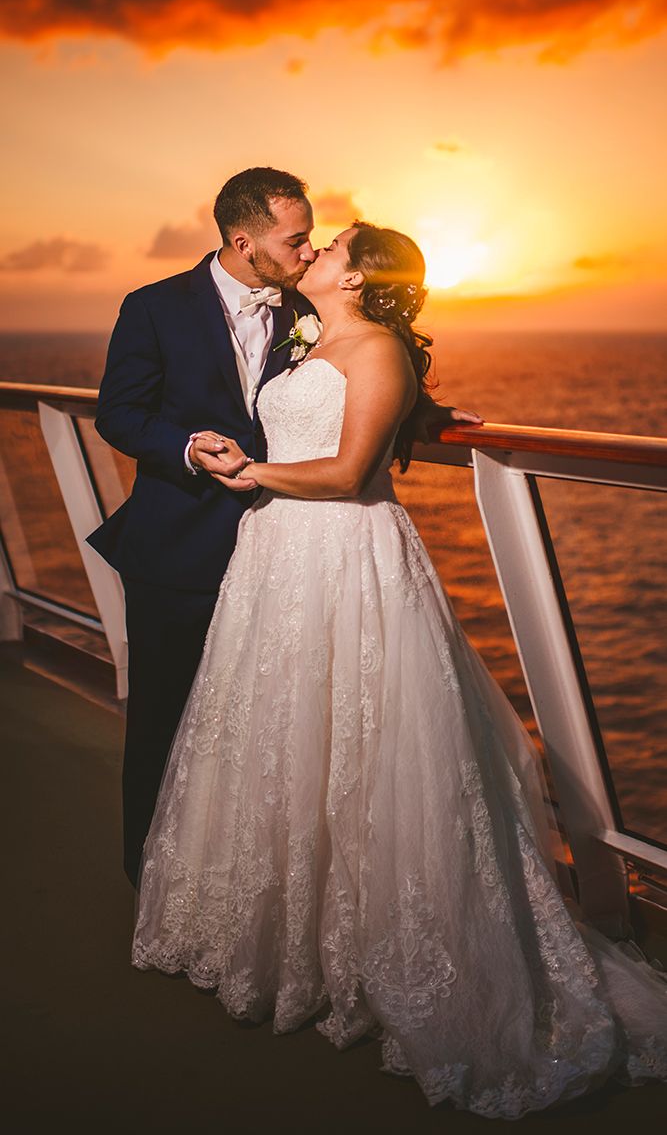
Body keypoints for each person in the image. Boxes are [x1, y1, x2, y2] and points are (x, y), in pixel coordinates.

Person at [131, 221, 667, 1117]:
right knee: (284, 733)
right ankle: (295, 939)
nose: (315, 251)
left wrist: (256, 469)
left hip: (345, 556)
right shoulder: (314, 340)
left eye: (331, 245)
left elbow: (346, 473)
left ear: (358, 277)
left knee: (370, 738)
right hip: (279, 560)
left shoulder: (374, 347)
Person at [87, 170, 479, 887]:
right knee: (166, 724)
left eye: (313, 239)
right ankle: (151, 885)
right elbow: (119, 412)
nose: (306, 252)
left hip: (288, 558)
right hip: (180, 548)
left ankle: (271, 888)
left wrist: (424, 412)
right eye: (294, 240)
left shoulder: (309, 303)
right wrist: (185, 449)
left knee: (274, 731)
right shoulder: (153, 308)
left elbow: (360, 367)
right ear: (244, 242)